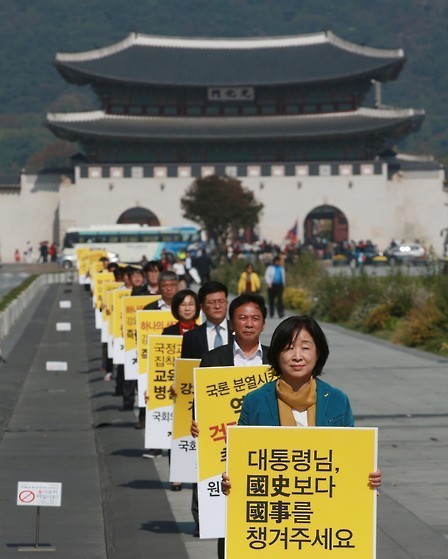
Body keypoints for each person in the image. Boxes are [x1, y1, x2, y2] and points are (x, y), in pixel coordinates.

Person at [220, 315, 382, 558]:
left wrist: (368, 478)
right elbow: (239, 459)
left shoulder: (337, 400)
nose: (297, 356)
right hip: (275, 522)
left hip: (323, 525)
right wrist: (230, 480)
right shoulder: (255, 401)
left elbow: (351, 460)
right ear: (276, 355)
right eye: (288, 348)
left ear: (319, 353)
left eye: (305, 347)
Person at [191, 292, 269, 551]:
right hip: (224, 451)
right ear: (232, 323)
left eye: (255, 318)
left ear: (263, 324)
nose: (249, 323)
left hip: (266, 453)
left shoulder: (276, 360)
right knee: (228, 520)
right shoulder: (213, 359)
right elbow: (200, 404)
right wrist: (196, 423)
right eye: (243, 318)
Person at [180, 280, 231, 537]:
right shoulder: (192, 337)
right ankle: (201, 520)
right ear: (203, 307)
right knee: (204, 465)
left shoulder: (240, 331)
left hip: (233, 410)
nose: (217, 306)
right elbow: (188, 377)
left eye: (221, 301)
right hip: (207, 408)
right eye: (211, 302)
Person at [161, 289, 201, 491]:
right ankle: (176, 475)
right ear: (176, 308)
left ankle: (193, 471)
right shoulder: (168, 333)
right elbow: (161, 365)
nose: (187, 308)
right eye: (183, 304)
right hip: (174, 391)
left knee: (195, 431)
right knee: (176, 432)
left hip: (196, 389)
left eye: (191, 304)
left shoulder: (203, 333)